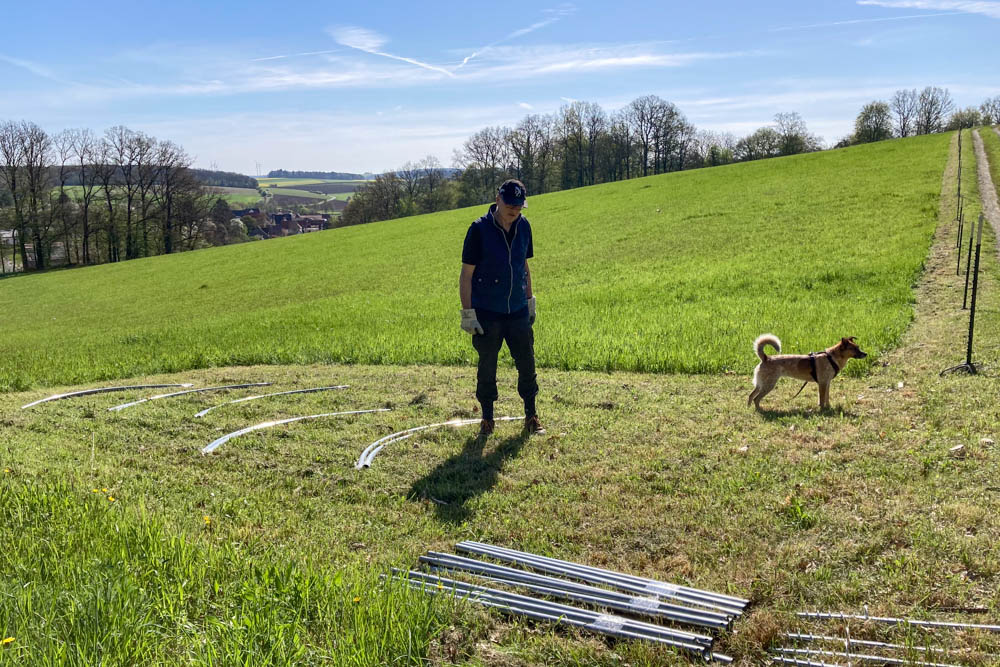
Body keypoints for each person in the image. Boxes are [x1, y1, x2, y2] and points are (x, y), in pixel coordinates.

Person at [460, 179, 545, 437]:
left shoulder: (525, 227)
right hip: (487, 312)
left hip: (517, 309)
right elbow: (466, 275)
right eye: (510, 205)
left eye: (519, 207)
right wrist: (468, 313)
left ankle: (531, 415)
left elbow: (524, 267)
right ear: (497, 198)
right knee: (487, 366)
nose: (514, 211)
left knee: (527, 364)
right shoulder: (478, 230)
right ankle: (487, 419)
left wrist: (529, 300)